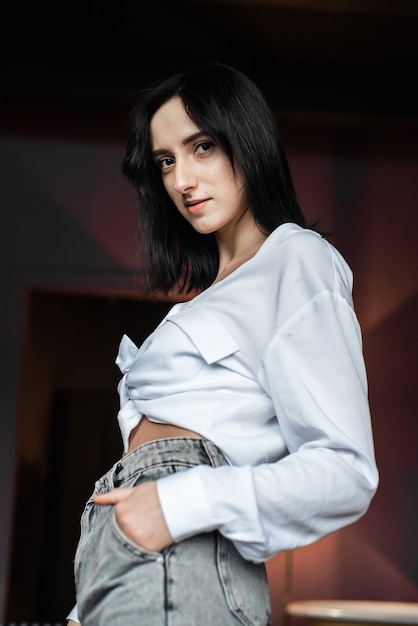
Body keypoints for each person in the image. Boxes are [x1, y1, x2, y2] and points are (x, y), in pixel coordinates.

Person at [67, 62, 378, 626]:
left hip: (181, 542)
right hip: (118, 549)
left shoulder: (296, 259)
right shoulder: (208, 295)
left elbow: (346, 471)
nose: (181, 179)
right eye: (166, 161)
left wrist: (179, 502)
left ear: (246, 139)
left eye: (201, 146)